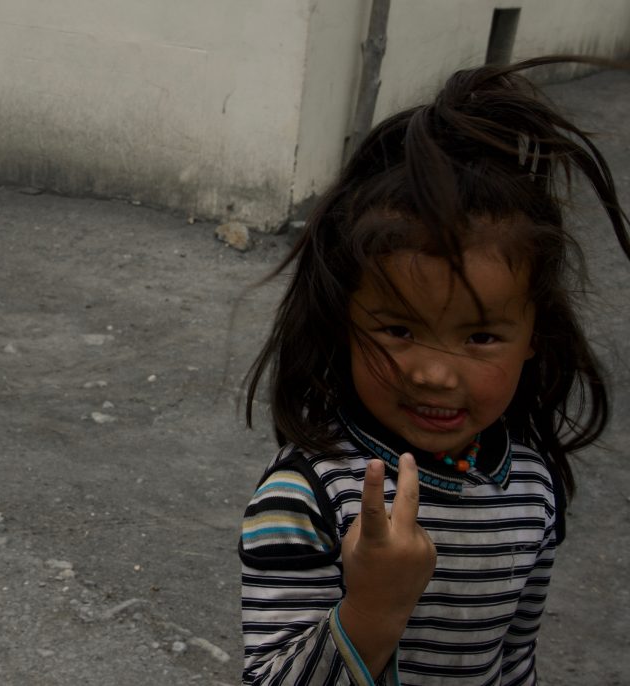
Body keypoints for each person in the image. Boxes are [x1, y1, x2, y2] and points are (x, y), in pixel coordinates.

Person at [239, 57, 629, 685]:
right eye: (399, 330)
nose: (435, 374)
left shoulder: (530, 489)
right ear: (343, 319)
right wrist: (373, 608)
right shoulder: (306, 494)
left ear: (534, 337)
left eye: (480, 336)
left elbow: (514, 664)